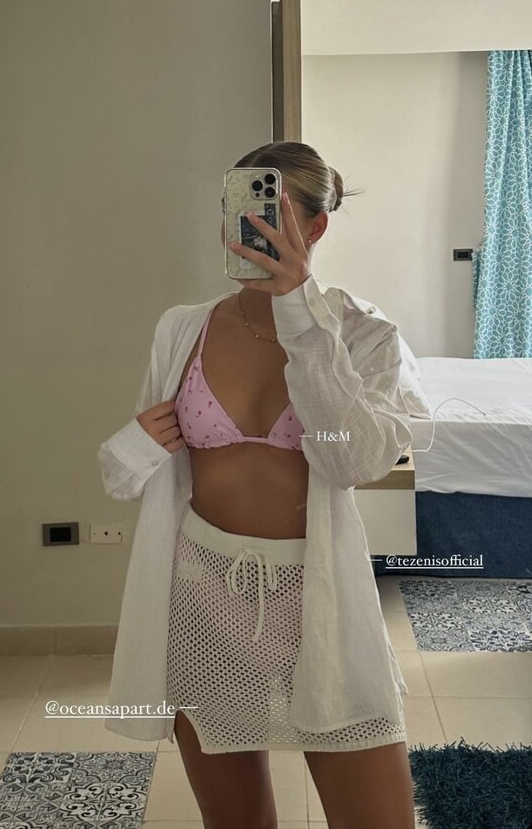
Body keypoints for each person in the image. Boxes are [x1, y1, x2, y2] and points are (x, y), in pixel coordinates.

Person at [98, 141, 416, 829]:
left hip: (319, 600)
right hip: (201, 595)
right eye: (235, 209)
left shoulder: (362, 335)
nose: (245, 227)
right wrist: (136, 442)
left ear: (317, 226)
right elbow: (125, 472)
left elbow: (353, 461)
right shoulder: (182, 329)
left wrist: (299, 311)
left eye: (268, 211)